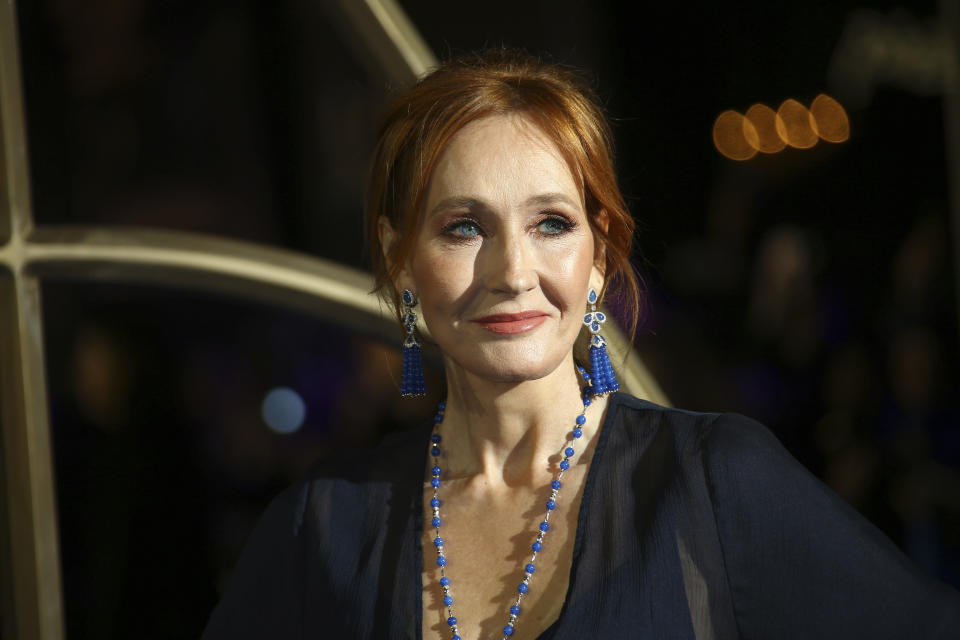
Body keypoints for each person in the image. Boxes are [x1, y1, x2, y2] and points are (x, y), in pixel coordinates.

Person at [203, 50, 960, 639]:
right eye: (464, 226)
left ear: (598, 259)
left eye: (551, 224)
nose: (512, 271)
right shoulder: (325, 528)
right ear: (401, 261)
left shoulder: (714, 484)